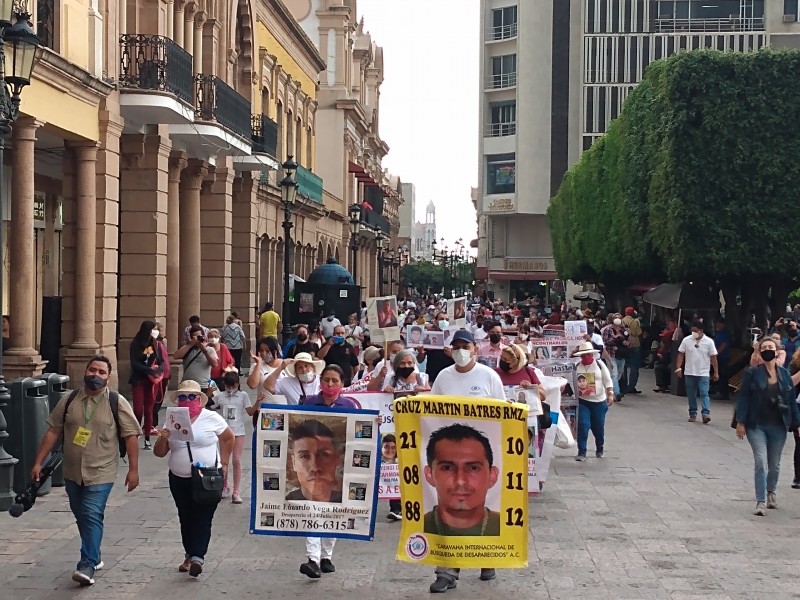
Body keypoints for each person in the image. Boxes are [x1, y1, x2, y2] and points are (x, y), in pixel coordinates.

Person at [30, 355, 141, 586]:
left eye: (102, 372)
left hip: (102, 469)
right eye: (93, 370)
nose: (96, 375)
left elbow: (131, 435)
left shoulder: (116, 401)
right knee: (81, 513)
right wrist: (38, 462)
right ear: (85, 371)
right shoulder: (70, 399)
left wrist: (133, 470)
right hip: (71, 470)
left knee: (91, 513)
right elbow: (53, 431)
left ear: (108, 377)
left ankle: (87, 564)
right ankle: (95, 555)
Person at [428, 329, 505, 593]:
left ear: (475, 348)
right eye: (457, 346)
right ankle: (447, 571)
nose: (461, 350)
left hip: (481, 456)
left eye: (466, 345)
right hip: (449, 455)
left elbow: (504, 413)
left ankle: (486, 558)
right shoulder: (443, 377)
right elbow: (430, 411)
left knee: (482, 506)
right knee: (450, 507)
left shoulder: (489, 376)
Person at [153, 380, 234, 577]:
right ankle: (189, 554)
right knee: (185, 516)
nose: (187, 400)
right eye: (182, 397)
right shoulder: (172, 419)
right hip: (179, 478)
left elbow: (228, 437)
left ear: (200, 399)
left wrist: (224, 463)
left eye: (191, 397)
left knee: (203, 516)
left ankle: (198, 556)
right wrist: (163, 437)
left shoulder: (211, 418)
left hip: (207, 477)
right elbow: (159, 453)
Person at [289, 365, 359, 579]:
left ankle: (326, 555)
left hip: (337, 465)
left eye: (334, 381)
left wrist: (372, 424)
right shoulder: (309, 403)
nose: (330, 384)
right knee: (312, 510)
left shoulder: (350, 405)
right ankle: (313, 559)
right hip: (313, 465)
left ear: (342, 383)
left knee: (334, 511)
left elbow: (359, 432)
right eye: (326, 380)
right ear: (320, 381)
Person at [735, 337, 800, 515]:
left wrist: (797, 423)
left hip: (778, 425)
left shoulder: (785, 374)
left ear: (778, 351)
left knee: (775, 463)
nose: (768, 350)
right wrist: (740, 422)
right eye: (765, 348)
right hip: (756, 425)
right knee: (761, 462)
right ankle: (760, 501)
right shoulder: (752, 373)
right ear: (760, 351)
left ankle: (771, 491)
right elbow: (743, 398)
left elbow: (791, 401)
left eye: (771, 347)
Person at [423, 424, 501, 536]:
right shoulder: (417, 528)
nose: (460, 481)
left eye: (473, 468)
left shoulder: (509, 529)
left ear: (492, 476)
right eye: (447, 468)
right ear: (429, 474)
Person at [573, 341, 615, 461]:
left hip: (599, 402)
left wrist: (610, 394)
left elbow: (607, 381)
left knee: (598, 427)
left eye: (588, 355)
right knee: (583, 425)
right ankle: (582, 451)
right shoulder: (577, 367)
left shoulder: (599, 365)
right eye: (584, 355)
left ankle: (600, 446)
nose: (586, 357)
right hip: (583, 401)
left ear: (592, 355)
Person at [128, 320, 165, 449]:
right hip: (139, 379)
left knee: (149, 410)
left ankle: (147, 438)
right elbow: (134, 363)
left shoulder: (155, 344)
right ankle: (135, 434)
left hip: (151, 382)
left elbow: (161, 361)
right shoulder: (136, 344)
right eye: (153, 329)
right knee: (138, 410)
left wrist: (158, 370)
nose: (156, 332)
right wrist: (148, 370)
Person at [214, 371, 250, 503]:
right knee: (224, 461)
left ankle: (237, 490)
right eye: (228, 387)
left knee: (237, 460)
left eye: (233, 386)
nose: (230, 389)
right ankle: (225, 485)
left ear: (238, 385)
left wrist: (258, 402)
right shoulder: (220, 396)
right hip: (224, 432)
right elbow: (209, 405)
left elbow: (250, 411)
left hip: (238, 431)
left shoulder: (243, 396)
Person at [675, 320, 719, 424]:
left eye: (696, 330)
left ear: (701, 331)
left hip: (703, 373)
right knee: (691, 394)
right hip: (690, 372)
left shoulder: (709, 342)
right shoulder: (686, 340)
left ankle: (706, 413)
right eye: (692, 330)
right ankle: (693, 413)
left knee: (704, 393)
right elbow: (681, 354)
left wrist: (716, 372)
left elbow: (713, 358)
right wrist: (678, 367)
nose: (693, 332)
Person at [174, 324, 219, 406]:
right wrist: (190, 344)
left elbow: (214, 364)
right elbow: (175, 356)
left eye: (199, 336)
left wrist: (203, 349)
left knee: (201, 410)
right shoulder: (187, 348)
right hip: (187, 385)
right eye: (195, 337)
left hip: (203, 386)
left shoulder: (210, 349)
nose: (198, 339)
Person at [381, 433, 402, 521]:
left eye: (393, 447)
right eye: (386, 447)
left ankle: (397, 510)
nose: (390, 450)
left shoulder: (400, 461)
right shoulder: (378, 461)